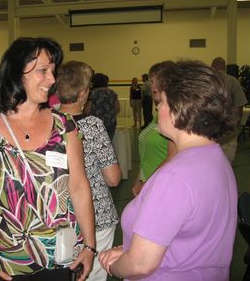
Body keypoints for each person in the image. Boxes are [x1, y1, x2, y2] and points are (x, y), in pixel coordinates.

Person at [0, 37, 96, 281]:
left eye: (53, 71)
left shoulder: (65, 127)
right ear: (15, 73)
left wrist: (89, 246)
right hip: (7, 265)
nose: (52, 80)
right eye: (43, 71)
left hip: (63, 259)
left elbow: (78, 186)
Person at [99, 61, 238, 280]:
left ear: (178, 108)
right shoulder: (213, 155)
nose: (157, 107)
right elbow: (184, 239)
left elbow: (140, 264)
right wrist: (128, 251)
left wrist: (113, 266)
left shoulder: (175, 177)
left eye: (161, 101)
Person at [57, 61, 122, 281]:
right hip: (95, 217)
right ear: (83, 92)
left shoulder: (46, 122)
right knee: (92, 275)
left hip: (58, 215)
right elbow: (113, 178)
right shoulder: (92, 125)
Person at [132, 62, 176, 197]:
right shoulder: (158, 114)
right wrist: (139, 179)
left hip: (162, 186)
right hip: (149, 183)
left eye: (156, 80)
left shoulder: (174, 116)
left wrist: (147, 184)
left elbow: (173, 157)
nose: (152, 85)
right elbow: (146, 156)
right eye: (151, 81)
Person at [211, 56, 248, 162]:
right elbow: (240, 105)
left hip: (209, 128)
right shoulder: (233, 81)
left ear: (212, 66)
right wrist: (236, 125)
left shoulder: (207, 81)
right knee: (227, 161)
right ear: (224, 67)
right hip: (228, 129)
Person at [84, 73, 120, 140]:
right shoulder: (112, 93)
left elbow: (87, 110)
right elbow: (118, 108)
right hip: (110, 123)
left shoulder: (92, 93)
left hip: (95, 124)